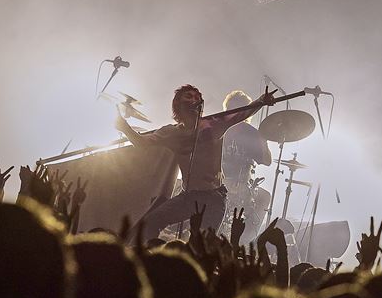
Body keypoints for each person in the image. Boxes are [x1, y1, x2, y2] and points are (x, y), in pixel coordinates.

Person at [115, 84, 276, 241]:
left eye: (198, 97)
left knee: (200, 245)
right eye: (189, 96)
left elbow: (241, 113)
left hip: (213, 199)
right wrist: (124, 128)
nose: (195, 99)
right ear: (178, 104)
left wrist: (261, 100)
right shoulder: (171, 132)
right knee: (151, 222)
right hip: (188, 196)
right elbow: (142, 143)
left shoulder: (214, 124)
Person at [220, 90, 272, 236]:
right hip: (230, 184)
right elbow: (267, 161)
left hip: (227, 184)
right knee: (264, 197)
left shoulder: (219, 128)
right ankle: (247, 239)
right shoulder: (250, 132)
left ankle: (245, 237)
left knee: (263, 196)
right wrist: (263, 140)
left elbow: (267, 161)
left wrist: (263, 140)